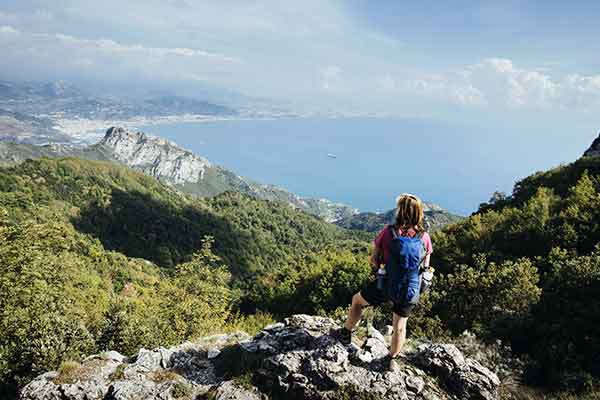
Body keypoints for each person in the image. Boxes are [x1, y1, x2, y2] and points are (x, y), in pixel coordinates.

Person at [333, 193, 433, 371]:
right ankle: (391, 359)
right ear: (419, 213)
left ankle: (346, 333)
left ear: (400, 211)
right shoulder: (424, 237)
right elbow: (426, 266)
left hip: (385, 285)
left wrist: (382, 264)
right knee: (399, 326)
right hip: (409, 290)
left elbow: (374, 259)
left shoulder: (389, 232)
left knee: (357, 300)